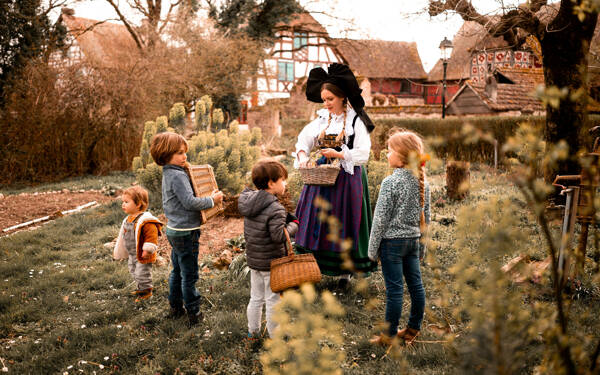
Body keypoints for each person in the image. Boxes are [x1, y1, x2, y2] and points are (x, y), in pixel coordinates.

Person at [293, 63, 377, 283]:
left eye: (330, 99)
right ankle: (312, 268)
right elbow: (303, 141)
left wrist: (339, 155)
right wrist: (302, 157)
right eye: (324, 99)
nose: (326, 103)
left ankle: (345, 272)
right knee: (316, 220)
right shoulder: (321, 120)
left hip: (347, 178)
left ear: (341, 97)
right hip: (321, 178)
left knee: (343, 221)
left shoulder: (356, 121)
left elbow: (363, 154)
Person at [150, 132, 224, 327]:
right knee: (189, 274)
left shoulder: (169, 172)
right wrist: (212, 200)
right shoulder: (178, 176)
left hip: (175, 230)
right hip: (186, 231)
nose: (185, 157)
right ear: (166, 155)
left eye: (185, 153)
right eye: (180, 153)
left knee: (177, 270)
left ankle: (175, 308)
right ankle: (194, 312)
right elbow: (190, 202)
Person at [367, 130, 431, 346]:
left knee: (394, 291)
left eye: (390, 151)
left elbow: (380, 221)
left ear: (402, 158)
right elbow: (426, 219)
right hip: (413, 242)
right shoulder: (423, 183)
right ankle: (413, 328)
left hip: (391, 245)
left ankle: (389, 336)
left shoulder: (390, 183)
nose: (386, 154)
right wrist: (422, 248)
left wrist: (371, 250)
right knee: (416, 286)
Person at [238, 160, 299, 340]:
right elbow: (279, 236)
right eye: (282, 180)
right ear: (271, 183)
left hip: (255, 261)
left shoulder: (249, 203)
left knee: (256, 298)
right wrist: (294, 225)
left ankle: (253, 331)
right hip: (272, 264)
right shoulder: (276, 209)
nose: (285, 184)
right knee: (273, 301)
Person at [113, 186, 163, 302]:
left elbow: (151, 237)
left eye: (126, 202)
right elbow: (124, 236)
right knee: (133, 271)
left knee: (142, 273)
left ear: (139, 204)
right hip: (132, 253)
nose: (123, 205)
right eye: (123, 202)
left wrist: (147, 250)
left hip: (143, 254)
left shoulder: (146, 221)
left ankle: (146, 292)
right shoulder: (128, 219)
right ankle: (141, 288)